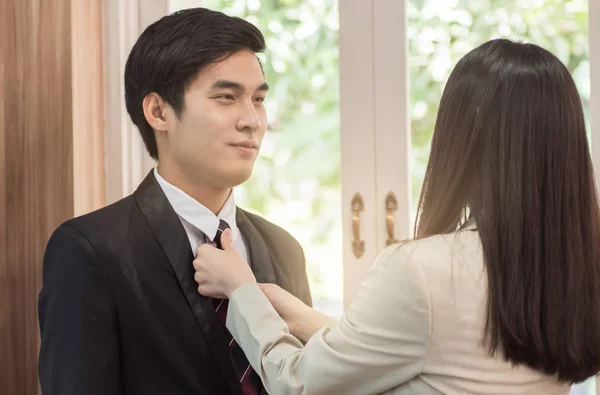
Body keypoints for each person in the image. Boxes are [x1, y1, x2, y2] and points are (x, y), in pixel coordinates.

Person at [192, 38, 600, 394]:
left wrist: (242, 290)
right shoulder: (577, 269)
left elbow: (297, 382)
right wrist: (297, 317)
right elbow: (434, 350)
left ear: (463, 138)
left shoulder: (426, 270)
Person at [38, 7, 312, 395]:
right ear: (158, 111)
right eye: (226, 97)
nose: (252, 119)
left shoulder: (284, 248)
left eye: (258, 99)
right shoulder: (91, 250)